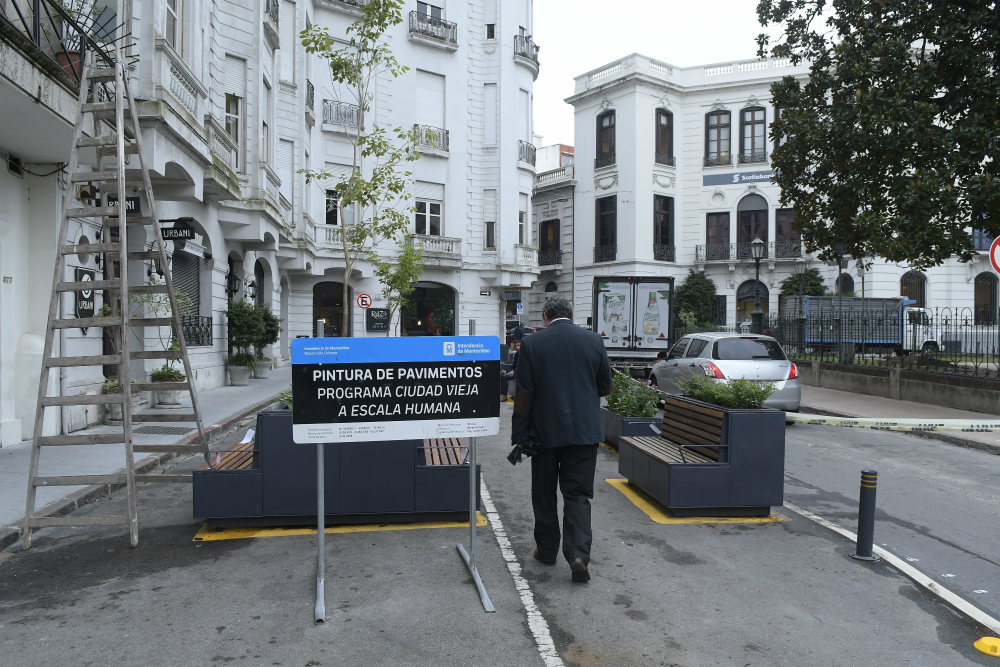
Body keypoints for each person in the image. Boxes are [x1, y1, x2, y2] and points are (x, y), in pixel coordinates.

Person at [511, 297, 612, 583]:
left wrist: (519, 434)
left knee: (543, 493)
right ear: (571, 314)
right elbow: (605, 385)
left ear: (545, 317)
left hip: (544, 433)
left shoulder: (533, 344)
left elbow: (524, 394)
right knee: (578, 495)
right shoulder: (593, 340)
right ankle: (578, 556)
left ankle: (546, 550)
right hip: (584, 432)